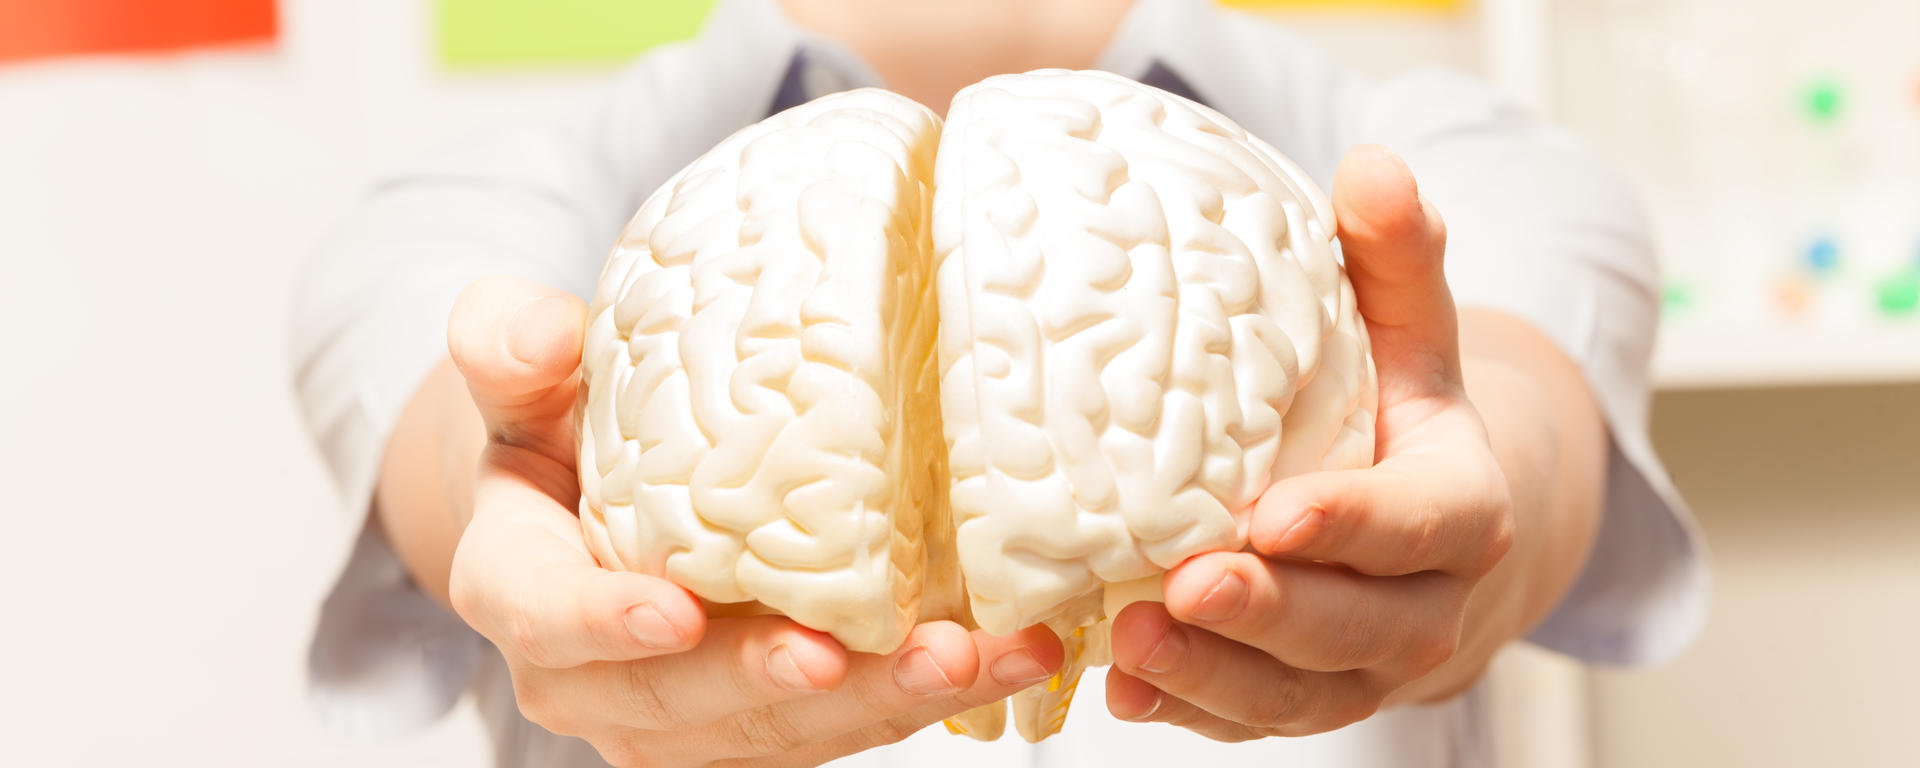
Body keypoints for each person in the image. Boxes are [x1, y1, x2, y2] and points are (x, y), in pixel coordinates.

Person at [289, 0, 1709, 765]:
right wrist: (505, 501)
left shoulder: (1448, 153)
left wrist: (1463, 526)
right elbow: (440, 416)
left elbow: (1523, 409)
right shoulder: (487, 198)